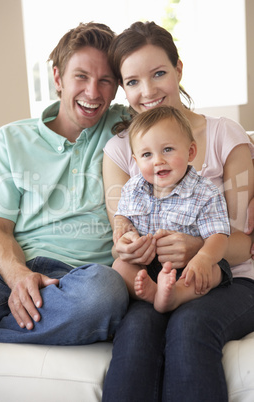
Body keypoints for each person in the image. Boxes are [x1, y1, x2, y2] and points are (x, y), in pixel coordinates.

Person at [102, 21, 254, 401]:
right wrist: (129, 245)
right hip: (154, 278)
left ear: (178, 70)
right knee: (135, 334)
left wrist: (195, 249)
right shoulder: (120, 151)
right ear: (123, 88)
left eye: (158, 74)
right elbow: (120, 234)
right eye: (133, 81)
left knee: (190, 327)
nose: (148, 91)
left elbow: (243, 244)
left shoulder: (225, 136)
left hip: (230, 277)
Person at [0, 22, 130, 344]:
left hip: (84, 278)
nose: (93, 92)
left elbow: (185, 132)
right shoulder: (10, 139)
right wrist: (18, 276)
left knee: (107, 293)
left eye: (105, 80)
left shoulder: (126, 126)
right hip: (14, 269)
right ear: (57, 78)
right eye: (81, 76)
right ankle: (41, 318)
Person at [112, 106, 231, 313]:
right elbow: (123, 216)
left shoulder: (206, 193)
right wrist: (123, 229)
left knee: (214, 271)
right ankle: (155, 294)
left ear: (190, 151)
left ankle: (176, 295)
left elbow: (218, 236)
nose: (158, 160)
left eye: (167, 149)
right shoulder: (133, 188)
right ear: (136, 161)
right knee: (119, 266)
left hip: (191, 264)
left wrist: (204, 257)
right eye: (147, 154)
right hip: (147, 266)